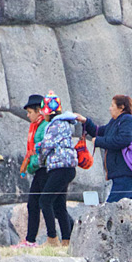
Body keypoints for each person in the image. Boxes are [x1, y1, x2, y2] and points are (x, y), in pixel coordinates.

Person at [33, 94, 80, 244]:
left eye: (43, 110)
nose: (41, 114)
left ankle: (52, 238)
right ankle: (67, 239)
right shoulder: (64, 123)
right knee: (59, 205)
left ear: (47, 111)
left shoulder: (54, 125)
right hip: (68, 168)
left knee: (45, 201)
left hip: (59, 168)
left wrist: (38, 153)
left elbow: (46, 146)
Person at [78, 95, 132, 202]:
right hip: (121, 174)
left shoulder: (128, 120)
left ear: (121, 107)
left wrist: (99, 141)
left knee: (112, 206)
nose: (110, 108)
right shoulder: (115, 122)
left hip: (126, 173)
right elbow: (98, 131)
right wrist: (85, 121)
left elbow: (123, 139)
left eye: (112, 105)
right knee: (126, 208)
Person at [19, 93, 49, 247]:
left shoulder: (44, 126)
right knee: (35, 204)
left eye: (30, 112)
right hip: (39, 170)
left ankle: (64, 235)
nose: (28, 115)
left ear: (39, 111)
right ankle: (30, 240)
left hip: (45, 169)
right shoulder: (35, 127)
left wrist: (32, 165)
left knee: (50, 205)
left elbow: (42, 150)